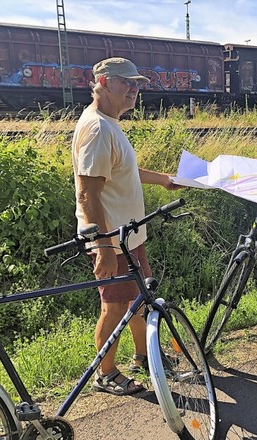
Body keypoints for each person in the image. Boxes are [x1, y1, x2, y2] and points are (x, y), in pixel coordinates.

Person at [71, 57, 180, 396]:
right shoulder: (97, 129)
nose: (134, 89)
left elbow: (123, 170)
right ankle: (106, 373)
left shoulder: (109, 123)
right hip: (112, 238)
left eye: (137, 84)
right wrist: (103, 245)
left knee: (139, 300)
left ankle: (145, 356)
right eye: (126, 82)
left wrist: (162, 180)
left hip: (128, 235)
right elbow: (87, 193)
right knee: (115, 306)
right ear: (103, 83)